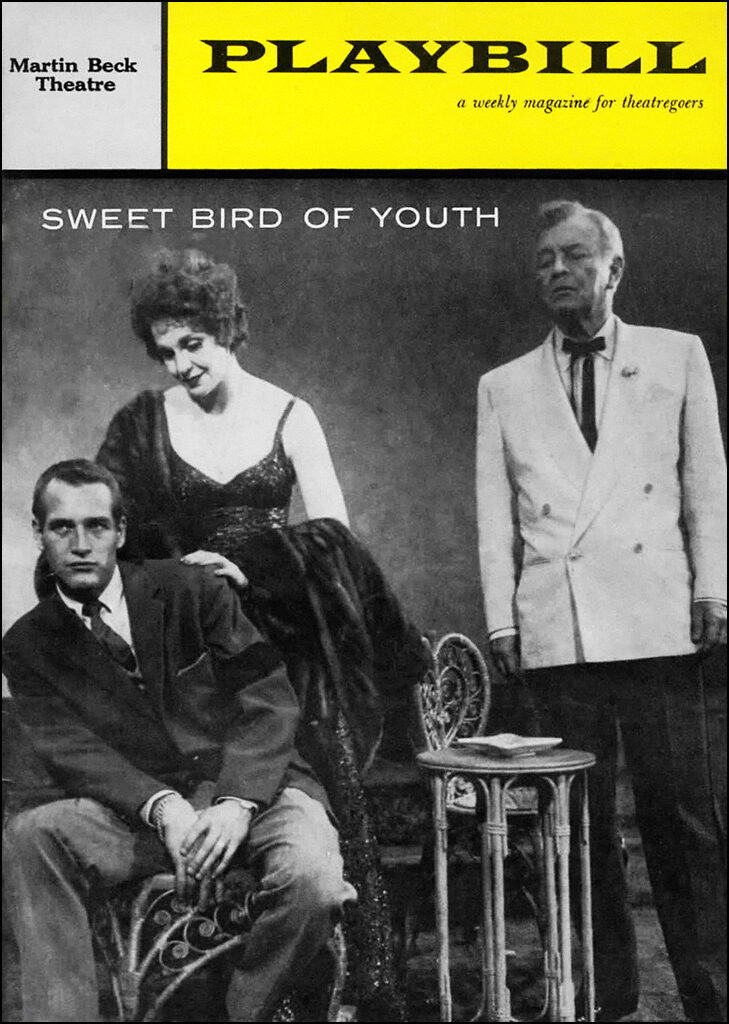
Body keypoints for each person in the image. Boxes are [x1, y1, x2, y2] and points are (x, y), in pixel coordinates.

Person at [93, 248, 427, 1020]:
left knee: (322, 786)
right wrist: (175, 576)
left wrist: (250, 565)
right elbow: (104, 532)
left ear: (227, 330)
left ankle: (347, 980)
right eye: (165, 351)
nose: (180, 365)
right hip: (180, 649)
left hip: (280, 641)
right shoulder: (140, 424)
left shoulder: (288, 414)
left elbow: (335, 538)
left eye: (193, 345)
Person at [476, 199, 727, 1022]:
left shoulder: (675, 355)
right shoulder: (502, 385)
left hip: (658, 618)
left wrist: (713, 589)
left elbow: (706, 486)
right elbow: (492, 514)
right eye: (543, 259)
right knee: (576, 827)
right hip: (560, 623)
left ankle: (710, 997)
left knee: (682, 821)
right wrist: (503, 620)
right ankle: (604, 999)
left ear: (612, 268)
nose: (556, 269)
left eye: (574, 255)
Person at [3, 458, 357, 1023]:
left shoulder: (194, 589)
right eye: (62, 527)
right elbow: (74, 753)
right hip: (140, 817)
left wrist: (235, 803)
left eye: (96, 526)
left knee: (314, 881)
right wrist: (164, 807)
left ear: (121, 531)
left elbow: (268, 699)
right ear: (38, 533)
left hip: (257, 794)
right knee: (31, 837)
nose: (81, 545)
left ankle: (241, 1012)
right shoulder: (27, 645)